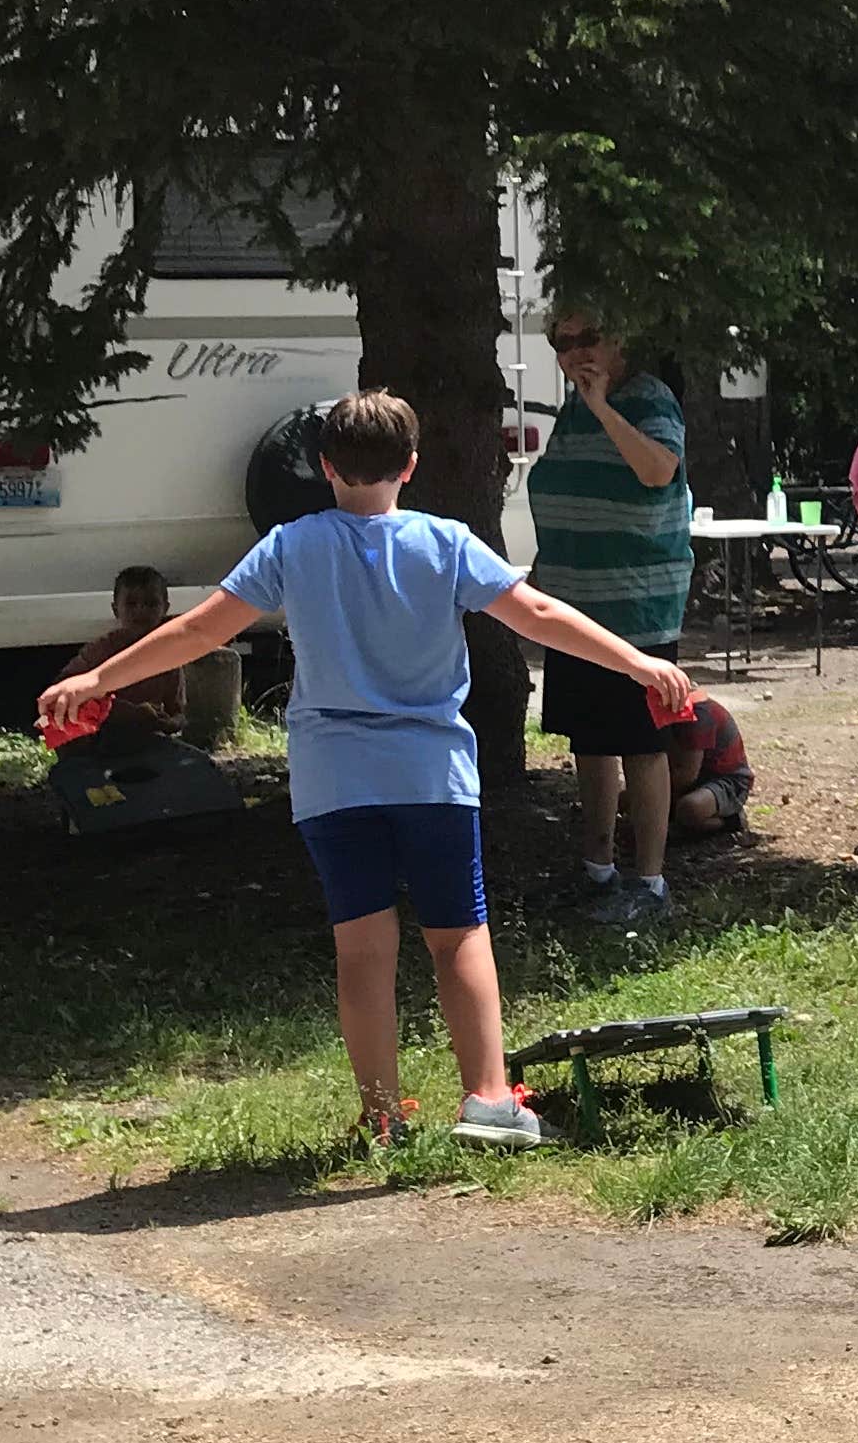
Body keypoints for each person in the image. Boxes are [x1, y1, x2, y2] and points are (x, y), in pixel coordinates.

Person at [36, 388, 697, 1151]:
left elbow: (195, 631)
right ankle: (487, 1099)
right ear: (411, 467)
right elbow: (539, 617)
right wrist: (639, 663)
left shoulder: (290, 545)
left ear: (323, 466)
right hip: (432, 775)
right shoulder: (447, 543)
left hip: (333, 780)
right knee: (458, 937)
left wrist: (96, 680)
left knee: (362, 947)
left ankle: (382, 1116)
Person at [526, 301, 699, 926]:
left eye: (588, 338)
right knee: (592, 745)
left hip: (637, 611)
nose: (575, 353)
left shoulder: (648, 399)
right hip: (576, 607)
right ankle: (597, 871)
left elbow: (658, 470)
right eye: (563, 343)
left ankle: (649, 883)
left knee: (641, 746)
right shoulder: (572, 409)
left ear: (621, 336)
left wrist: (603, 408)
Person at [56, 567, 187, 741]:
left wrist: (166, 722)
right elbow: (65, 689)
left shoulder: (168, 656)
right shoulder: (100, 650)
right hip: (100, 741)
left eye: (151, 604)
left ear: (165, 608)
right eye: (131, 604)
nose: (141, 610)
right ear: (116, 609)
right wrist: (127, 711)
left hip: (149, 741)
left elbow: (177, 715)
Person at [662, 686, 754, 844]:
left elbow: (686, 775)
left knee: (689, 809)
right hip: (695, 778)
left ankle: (731, 821)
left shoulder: (697, 714)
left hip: (728, 779)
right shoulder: (669, 711)